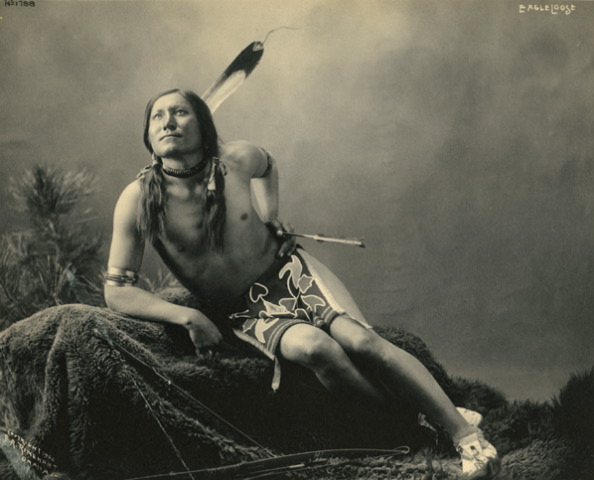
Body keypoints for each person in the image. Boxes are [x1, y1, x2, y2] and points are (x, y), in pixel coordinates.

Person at [104, 88, 500, 479]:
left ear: (202, 124)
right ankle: (416, 420)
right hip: (246, 310)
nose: (168, 122)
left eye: (179, 112)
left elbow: (269, 165)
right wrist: (187, 316)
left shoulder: (235, 160)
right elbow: (117, 290)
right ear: (148, 135)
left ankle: (467, 438)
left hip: (290, 272)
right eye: (158, 116)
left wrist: (270, 217)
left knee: (362, 342)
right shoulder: (139, 199)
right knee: (317, 349)